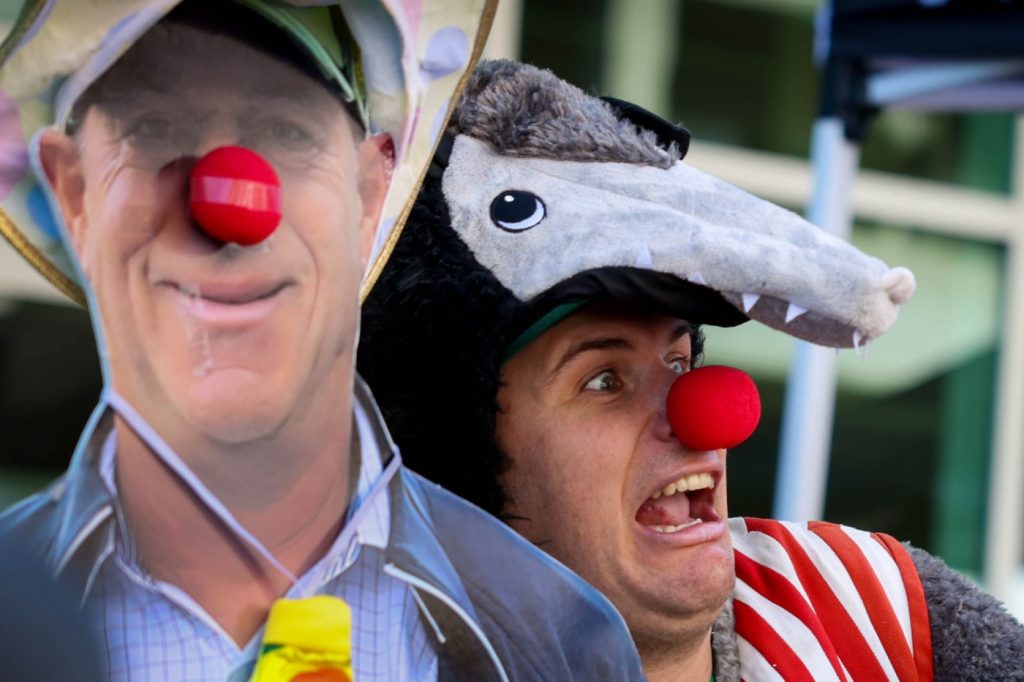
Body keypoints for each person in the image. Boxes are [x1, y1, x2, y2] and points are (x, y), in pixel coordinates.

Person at [0, 8, 643, 681]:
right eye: (153, 131)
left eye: (284, 130)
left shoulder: (561, 641)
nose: (227, 205)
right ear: (72, 192)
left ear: (371, 194)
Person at [360, 59, 1024, 680]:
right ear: (455, 466)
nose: (700, 415)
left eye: (681, 360)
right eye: (604, 380)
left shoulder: (872, 606)